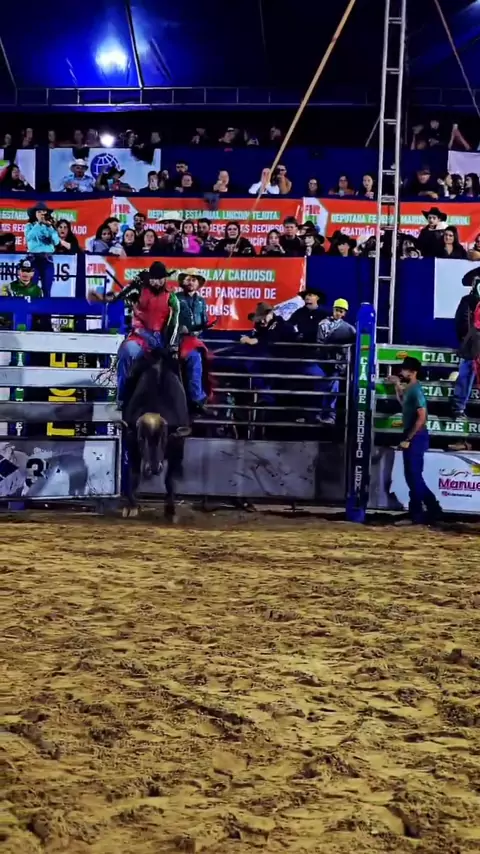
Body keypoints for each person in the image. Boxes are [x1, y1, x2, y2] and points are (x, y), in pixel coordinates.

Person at [88, 261, 180, 408]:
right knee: (127, 352)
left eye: (160, 279)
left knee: (175, 365)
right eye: (154, 279)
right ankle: (122, 398)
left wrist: (171, 345)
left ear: (165, 279)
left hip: (160, 339)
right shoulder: (138, 289)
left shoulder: (172, 297)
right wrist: (102, 298)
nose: (157, 282)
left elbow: (174, 323)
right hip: (140, 335)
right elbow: (118, 297)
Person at [388, 357, 442, 525]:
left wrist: (408, 438)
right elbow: (404, 402)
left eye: (404, 369)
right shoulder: (411, 388)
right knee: (413, 477)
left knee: (414, 476)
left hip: (416, 436)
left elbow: (421, 417)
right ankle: (430, 509)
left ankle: (421, 512)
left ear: (412, 372)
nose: (401, 371)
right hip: (414, 435)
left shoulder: (416, 390)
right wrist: (397, 385)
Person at [313, 298, 356, 425]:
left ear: (344, 313)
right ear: (333, 310)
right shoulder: (323, 324)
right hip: (323, 362)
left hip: (336, 364)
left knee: (333, 387)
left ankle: (329, 415)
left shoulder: (349, 329)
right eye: (337, 310)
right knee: (324, 387)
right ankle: (323, 414)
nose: (338, 313)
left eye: (341, 311)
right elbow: (319, 343)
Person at [177, 269, 212, 414]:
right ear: (183, 282)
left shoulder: (201, 301)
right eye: (188, 279)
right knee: (194, 357)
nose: (191, 282)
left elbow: (204, 321)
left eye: (194, 280)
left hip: (194, 339)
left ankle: (206, 396)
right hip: (178, 339)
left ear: (198, 284)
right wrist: (179, 328)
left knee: (207, 359)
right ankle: (197, 398)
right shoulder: (175, 298)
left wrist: (201, 329)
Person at [451, 266, 480, 420]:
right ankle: (458, 408)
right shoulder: (468, 301)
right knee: (466, 373)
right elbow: (462, 323)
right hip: (472, 345)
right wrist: (468, 341)